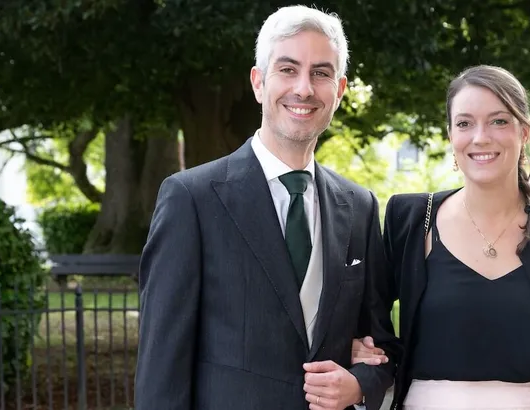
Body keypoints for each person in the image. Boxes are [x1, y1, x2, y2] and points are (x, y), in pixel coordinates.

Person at [134, 5, 399, 409]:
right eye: (288, 69)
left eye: (321, 73)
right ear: (259, 83)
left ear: (339, 91)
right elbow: (161, 366)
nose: (304, 89)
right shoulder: (192, 199)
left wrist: (360, 382)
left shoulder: (359, 206)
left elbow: (380, 346)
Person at [352, 65, 530, 409]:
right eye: (464, 123)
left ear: (524, 132)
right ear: (450, 135)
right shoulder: (410, 219)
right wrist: (360, 357)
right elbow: (372, 327)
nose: (480, 137)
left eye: (499, 121)